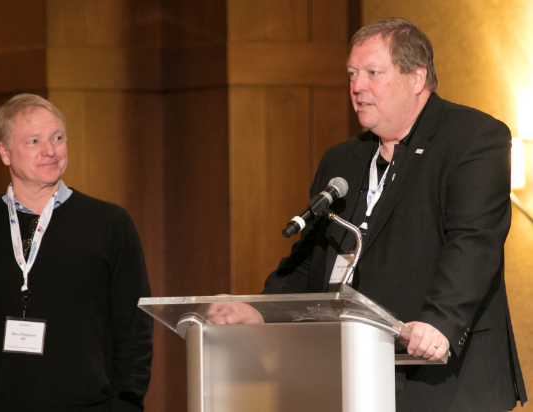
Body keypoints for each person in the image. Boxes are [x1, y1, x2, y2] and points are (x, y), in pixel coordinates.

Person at [208, 18, 527, 411]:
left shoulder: (472, 137)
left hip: (448, 381)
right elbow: (314, 259)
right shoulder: (344, 159)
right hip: (355, 379)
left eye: (373, 73)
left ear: (417, 77)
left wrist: (440, 321)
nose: (357, 87)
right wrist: (258, 308)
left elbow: (474, 243)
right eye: (352, 75)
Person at [0, 94, 153, 411]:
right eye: (34, 141)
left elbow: (135, 329)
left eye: (57, 138)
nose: (50, 151)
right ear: (4, 152)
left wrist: (124, 405)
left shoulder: (110, 224)